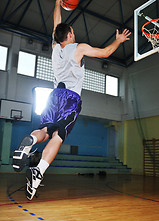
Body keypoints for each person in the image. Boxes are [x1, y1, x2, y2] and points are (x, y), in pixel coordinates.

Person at [12, 0, 131, 200]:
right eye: (72, 31)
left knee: (45, 131)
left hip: (53, 98)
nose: (73, 33)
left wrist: (58, 4)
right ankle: (38, 170)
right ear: (69, 34)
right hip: (70, 99)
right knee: (58, 135)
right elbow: (105, 53)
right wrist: (118, 40)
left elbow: (55, 25)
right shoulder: (78, 48)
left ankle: (31, 141)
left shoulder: (55, 47)